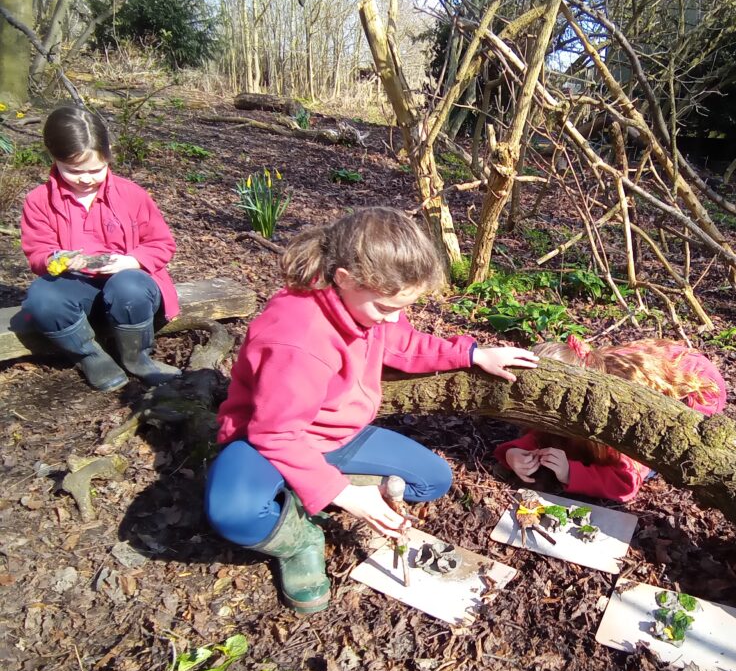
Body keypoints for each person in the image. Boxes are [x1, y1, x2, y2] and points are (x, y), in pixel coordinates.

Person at [205, 208, 538, 613]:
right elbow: (275, 434)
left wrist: (472, 353)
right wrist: (343, 494)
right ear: (344, 278)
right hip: (269, 443)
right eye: (385, 308)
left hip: (338, 436)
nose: (393, 318)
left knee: (431, 480)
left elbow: (404, 344)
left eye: (402, 307)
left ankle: (312, 488)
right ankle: (298, 540)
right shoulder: (299, 338)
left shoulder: (369, 302)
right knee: (234, 513)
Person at [19, 105, 181, 391]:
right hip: (76, 288)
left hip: (131, 292)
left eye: (96, 169)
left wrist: (131, 261)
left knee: (128, 285)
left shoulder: (131, 194)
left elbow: (161, 243)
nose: (86, 178)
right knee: (41, 297)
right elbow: (37, 252)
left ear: (108, 157)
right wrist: (58, 259)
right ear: (53, 158)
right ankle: (90, 356)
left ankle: (137, 357)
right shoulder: (38, 201)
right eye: (74, 171)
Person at [495, 335, 727, 503]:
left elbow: (626, 481)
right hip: (656, 362)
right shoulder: (572, 390)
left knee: (665, 452)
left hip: (698, 387)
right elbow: (542, 431)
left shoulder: (618, 412)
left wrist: (570, 473)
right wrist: (513, 453)